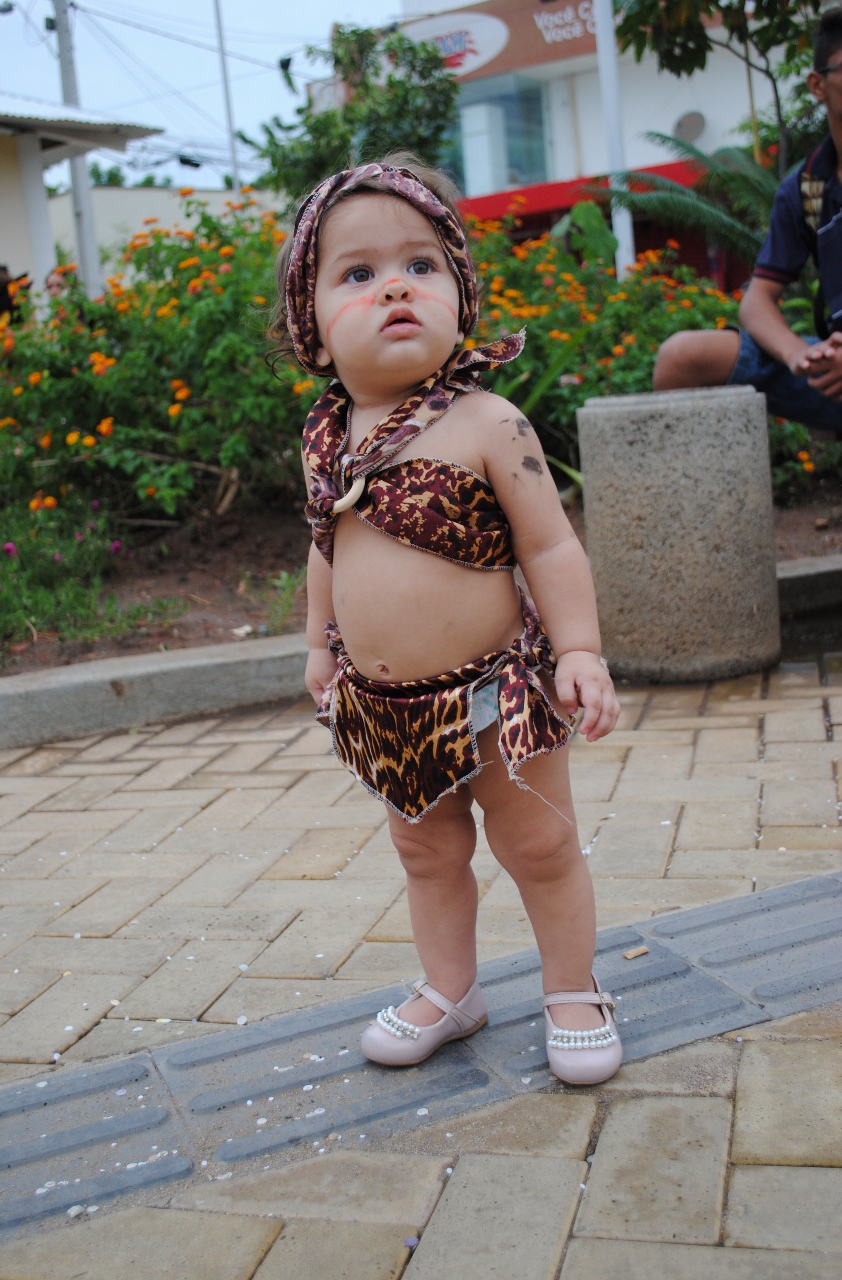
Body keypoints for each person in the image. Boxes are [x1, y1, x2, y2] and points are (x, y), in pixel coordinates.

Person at [272, 154, 623, 1086]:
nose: (395, 287)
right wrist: (318, 644)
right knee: (425, 853)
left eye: (420, 265)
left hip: (498, 691)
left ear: (461, 295)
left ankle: (574, 991)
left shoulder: (487, 422)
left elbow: (551, 546)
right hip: (388, 705)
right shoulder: (326, 439)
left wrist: (580, 649)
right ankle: (451, 989)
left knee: (539, 843)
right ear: (311, 326)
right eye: (358, 273)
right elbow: (325, 545)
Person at [653, 6, 842, 438]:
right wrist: (800, 356)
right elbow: (756, 301)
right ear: (817, 85)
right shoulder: (806, 186)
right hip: (833, 371)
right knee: (682, 358)